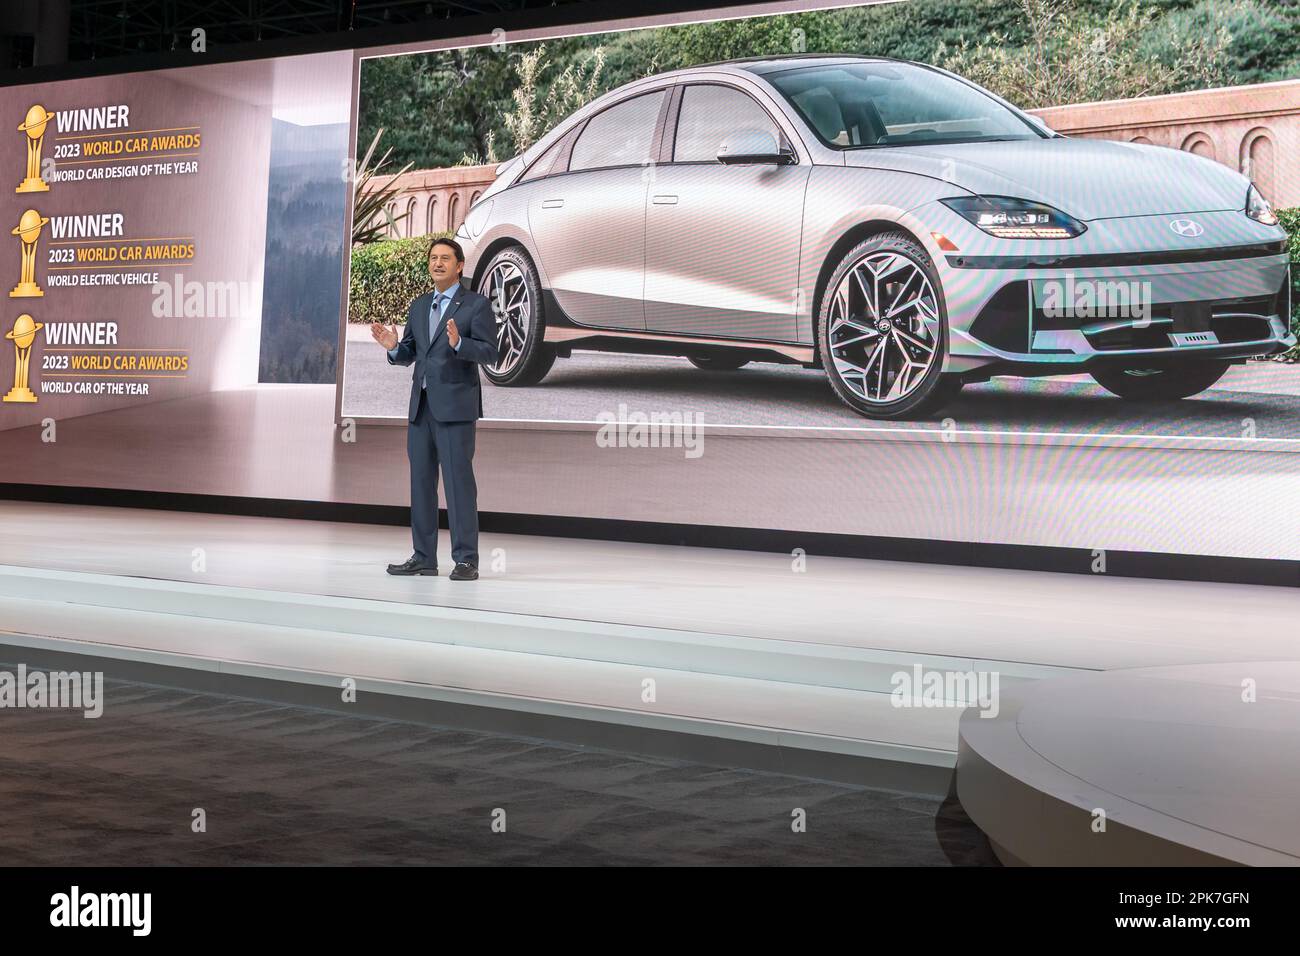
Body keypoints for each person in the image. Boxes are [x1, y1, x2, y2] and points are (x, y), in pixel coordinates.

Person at [370, 236, 498, 581]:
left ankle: (466, 559)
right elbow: (410, 352)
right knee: (421, 484)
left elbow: (491, 353)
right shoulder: (419, 305)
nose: (437, 263)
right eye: (433, 258)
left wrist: (460, 344)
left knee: (458, 486)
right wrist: (394, 347)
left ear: (459, 266)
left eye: (445, 258)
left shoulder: (476, 306)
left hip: (456, 409)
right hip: (421, 408)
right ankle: (424, 557)